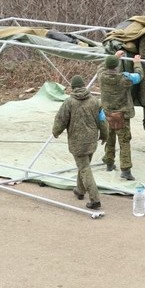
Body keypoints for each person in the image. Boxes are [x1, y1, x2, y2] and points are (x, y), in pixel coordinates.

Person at [52, 75, 109, 210]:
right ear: (84, 86)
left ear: (73, 88)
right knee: (84, 165)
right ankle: (80, 190)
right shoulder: (96, 101)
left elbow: (61, 119)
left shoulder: (69, 102)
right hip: (91, 140)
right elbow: (102, 120)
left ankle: (95, 199)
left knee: (84, 168)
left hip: (77, 142)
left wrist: (56, 132)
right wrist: (104, 135)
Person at [99, 50, 143, 181]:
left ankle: (109, 162)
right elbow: (139, 76)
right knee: (124, 141)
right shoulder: (124, 78)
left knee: (110, 138)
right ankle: (126, 169)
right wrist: (137, 63)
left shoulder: (101, 76)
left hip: (106, 113)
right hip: (121, 115)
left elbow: (101, 66)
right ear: (116, 66)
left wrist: (115, 57)